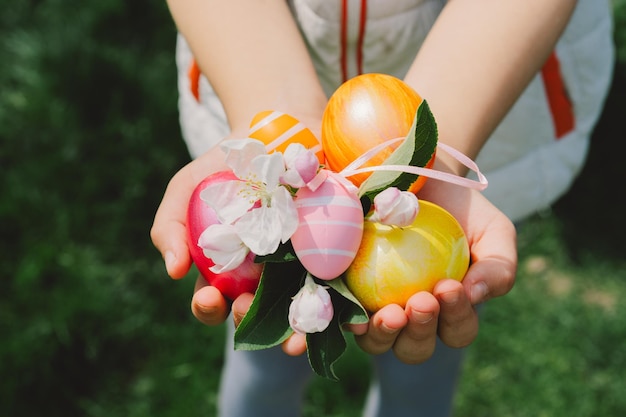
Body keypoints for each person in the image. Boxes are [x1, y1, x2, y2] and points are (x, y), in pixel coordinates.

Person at [150, 0, 614, 416]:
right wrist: (272, 115)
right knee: (263, 352)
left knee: (428, 331)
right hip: (260, 74)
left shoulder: (430, 194)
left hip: (478, 97)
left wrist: (436, 153)